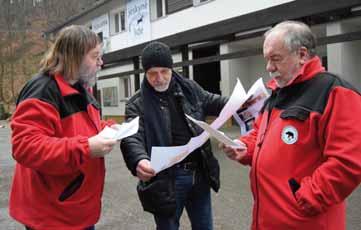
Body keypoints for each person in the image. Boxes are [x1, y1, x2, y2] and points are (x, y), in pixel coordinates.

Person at [222, 20, 361, 229]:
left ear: (302, 55)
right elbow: (259, 134)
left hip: (305, 221)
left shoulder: (335, 92)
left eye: (276, 59)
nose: (269, 67)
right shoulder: (278, 92)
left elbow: (349, 161)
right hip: (266, 219)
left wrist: (307, 199)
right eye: (267, 59)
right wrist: (243, 147)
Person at [9, 25, 117, 230]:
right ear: (74, 56)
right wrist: (86, 147)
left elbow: (83, 126)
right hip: (52, 215)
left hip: (75, 209)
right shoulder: (43, 89)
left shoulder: (81, 87)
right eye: (95, 56)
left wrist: (110, 128)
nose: (101, 62)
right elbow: (25, 146)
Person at [120, 41, 228, 230]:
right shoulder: (136, 103)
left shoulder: (189, 88)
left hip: (199, 173)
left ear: (171, 68)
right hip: (166, 179)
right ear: (144, 73)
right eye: (153, 73)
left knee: (205, 226)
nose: (160, 78)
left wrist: (243, 101)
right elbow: (132, 136)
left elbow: (214, 102)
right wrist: (139, 160)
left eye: (164, 71)